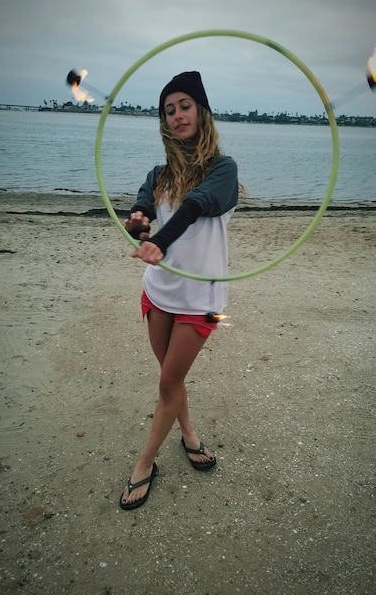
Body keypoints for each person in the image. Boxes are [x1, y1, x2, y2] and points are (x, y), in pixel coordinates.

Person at [120, 71, 238, 510]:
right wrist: (138, 225)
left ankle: (145, 463)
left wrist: (158, 241)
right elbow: (142, 212)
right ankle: (188, 434)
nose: (177, 115)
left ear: (201, 111)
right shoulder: (158, 173)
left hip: (202, 303)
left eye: (184, 105)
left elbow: (194, 207)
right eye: (169, 110)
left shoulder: (223, 170)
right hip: (159, 292)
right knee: (173, 380)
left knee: (168, 381)